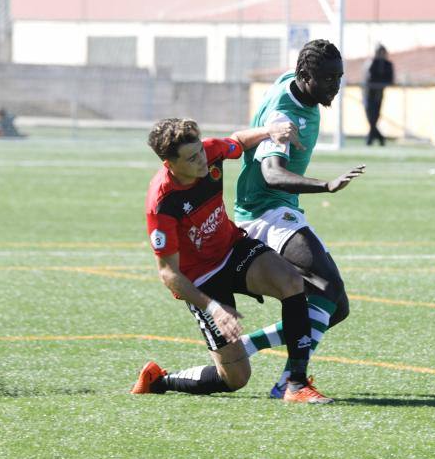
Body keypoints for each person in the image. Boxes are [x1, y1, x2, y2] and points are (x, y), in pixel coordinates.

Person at [133, 117, 333, 404]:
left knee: (290, 280)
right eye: (191, 158)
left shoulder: (211, 152)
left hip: (232, 249)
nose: (201, 161)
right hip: (200, 281)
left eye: (200, 151)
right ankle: (158, 381)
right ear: (170, 164)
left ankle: (296, 384)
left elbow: (237, 141)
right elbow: (168, 274)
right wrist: (214, 308)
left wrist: (269, 131)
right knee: (235, 379)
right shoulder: (162, 203)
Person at [235, 39, 366, 399]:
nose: (335, 86)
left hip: (281, 208)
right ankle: (292, 382)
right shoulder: (284, 113)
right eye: (327, 79)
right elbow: (272, 175)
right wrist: (325, 185)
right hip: (265, 211)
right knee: (326, 287)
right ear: (305, 75)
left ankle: (245, 347)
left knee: (336, 308)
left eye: (339, 77)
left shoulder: (294, 83)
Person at [363, 44, 394, 146]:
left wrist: (381, 82)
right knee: (370, 118)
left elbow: (390, 79)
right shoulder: (372, 63)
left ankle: (371, 139)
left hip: (379, 94)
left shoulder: (387, 64)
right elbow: (369, 77)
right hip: (368, 94)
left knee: (375, 117)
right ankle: (379, 138)